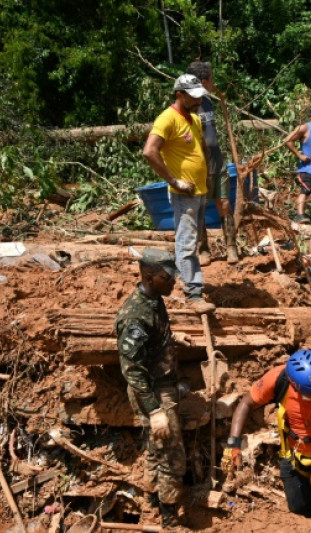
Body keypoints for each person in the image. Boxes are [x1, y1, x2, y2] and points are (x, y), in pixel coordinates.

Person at [222, 350, 311, 532]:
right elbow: (246, 403)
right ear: (294, 386)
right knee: (298, 507)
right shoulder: (278, 379)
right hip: (293, 453)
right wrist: (233, 444)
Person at [114, 248, 185, 527]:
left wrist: (171, 339)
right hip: (152, 392)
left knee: (158, 448)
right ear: (148, 277)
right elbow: (132, 369)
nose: (173, 282)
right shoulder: (135, 316)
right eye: (168, 278)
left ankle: (151, 501)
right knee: (171, 454)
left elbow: (152, 340)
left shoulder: (155, 300)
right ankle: (170, 519)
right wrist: (155, 410)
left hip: (162, 385)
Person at [142, 74, 216, 314]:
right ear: (179, 95)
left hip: (198, 191)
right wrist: (174, 181)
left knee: (192, 241)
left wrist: (207, 177)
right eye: (193, 97)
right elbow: (149, 151)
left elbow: (198, 150)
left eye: (199, 97)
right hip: (183, 194)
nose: (198, 101)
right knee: (187, 244)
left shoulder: (194, 119)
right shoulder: (167, 119)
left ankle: (181, 280)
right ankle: (193, 294)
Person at [186, 61, 238, 265]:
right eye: (212, 79)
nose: (214, 83)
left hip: (218, 161)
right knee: (199, 207)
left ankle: (231, 247)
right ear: (204, 81)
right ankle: (203, 249)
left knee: (224, 204)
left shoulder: (207, 100)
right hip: (200, 165)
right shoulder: (186, 107)